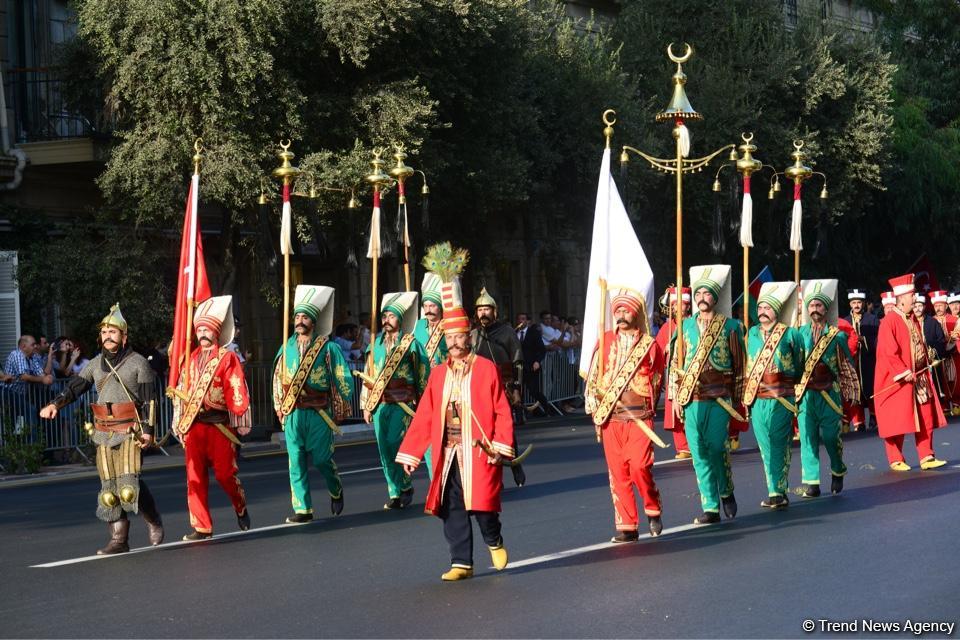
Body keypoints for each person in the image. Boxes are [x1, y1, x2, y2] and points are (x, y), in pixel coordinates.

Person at [396, 250, 514, 581]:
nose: (455, 343)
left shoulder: (487, 369)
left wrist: (501, 445)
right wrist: (412, 453)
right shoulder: (437, 375)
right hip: (448, 450)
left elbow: (502, 409)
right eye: (449, 338)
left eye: (460, 337)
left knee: (482, 504)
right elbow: (425, 416)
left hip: (479, 448)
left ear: (469, 337)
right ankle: (461, 561)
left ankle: (494, 538)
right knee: (452, 505)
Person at [39, 304, 163, 554]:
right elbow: (75, 387)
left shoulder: (139, 363)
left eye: (113, 332)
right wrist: (55, 404)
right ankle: (119, 541)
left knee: (128, 487)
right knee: (109, 491)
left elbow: (150, 400)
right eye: (104, 332)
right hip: (103, 431)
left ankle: (153, 519)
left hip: (130, 430)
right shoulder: (94, 364)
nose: (107, 336)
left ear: (124, 336)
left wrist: (149, 430)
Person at [584, 287, 665, 540]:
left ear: (635, 313)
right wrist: (595, 409)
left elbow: (657, 380)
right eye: (617, 310)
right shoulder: (605, 340)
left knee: (640, 466)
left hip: (639, 416)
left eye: (625, 309)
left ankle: (653, 507)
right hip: (611, 416)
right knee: (618, 472)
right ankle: (627, 525)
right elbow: (593, 377)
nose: (620, 314)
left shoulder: (649, 345)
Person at [172, 295, 252, 540]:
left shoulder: (226, 358)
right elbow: (181, 393)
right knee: (194, 477)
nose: (203, 333)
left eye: (208, 329)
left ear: (216, 332)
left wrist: (240, 415)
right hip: (195, 425)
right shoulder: (190, 359)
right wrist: (179, 420)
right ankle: (201, 526)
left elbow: (236, 386)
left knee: (225, 474)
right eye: (200, 329)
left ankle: (240, 505)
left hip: (220, 425)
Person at [273, 285, 354, 524]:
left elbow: (342, 377)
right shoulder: (285, 347)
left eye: (304, 316)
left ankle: (335, 487)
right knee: (295, 460)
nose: (299, 321)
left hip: (319, 411)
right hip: (294, 412)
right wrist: (280, 406)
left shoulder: (328, 348)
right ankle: (303, 508)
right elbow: (277, 377)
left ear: (313, 320)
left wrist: (342, 404)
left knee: (321, 459)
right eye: (297, 316)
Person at [672, 265, 745, 525]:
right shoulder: (684, 327)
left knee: (716, 447)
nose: (702, 296)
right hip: (692, 398)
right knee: (699, 452)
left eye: (707, 293)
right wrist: (675, 398)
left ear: (715, 298)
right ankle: (711, 506)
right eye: (698, 293)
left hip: (719, 397)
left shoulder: (730, 327)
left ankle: (726, 489)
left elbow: (740, 366)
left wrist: (738, 399)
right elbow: (675, 366)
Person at [361, 291, 430, 509]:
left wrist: (424, 403)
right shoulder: (374, 345)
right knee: (384, 450)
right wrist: (366, 405)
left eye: (391, 317)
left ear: (399, 319)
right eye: (384, 317)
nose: (386, 321)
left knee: (395, 443)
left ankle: (406, 485)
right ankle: (395, 492)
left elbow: (422, 374)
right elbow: (367, 377)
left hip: (404, 402)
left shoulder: (411, 344)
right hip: (381, 403)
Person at [874, 274, 947, 471]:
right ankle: (895, 457)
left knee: (926, 415)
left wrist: (927, 359)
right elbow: (888, 352)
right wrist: (902, 371)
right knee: (895, 418)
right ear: (902, 298)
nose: (915, 298)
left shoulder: (912, 318)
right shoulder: (889, 321)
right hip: (897, 379)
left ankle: (927, 455)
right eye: (912, 295)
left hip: (919, 375)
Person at [795, 280, 860, 497]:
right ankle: (811, 482)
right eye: (811, 306)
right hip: (806, 394)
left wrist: (851, 391)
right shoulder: (799, 334)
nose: (815, 309)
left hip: (829, 393)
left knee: (832, 437)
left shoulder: (837, 335)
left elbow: (846, 365)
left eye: (819, 306)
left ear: (826, 309)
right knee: (807, 437)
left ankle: (837, 468)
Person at [742, 282, 803, 509]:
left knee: (779, 443)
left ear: (776, 311)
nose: (762, 311)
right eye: (760, 307)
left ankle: (779, 491)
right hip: (758, 399)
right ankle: (774, 489)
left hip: (781, 397)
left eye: (767, 308)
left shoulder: (790, 334)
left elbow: (799, 364)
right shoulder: (751, 334)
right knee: (765, 445)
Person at [472, 286, 527, 487]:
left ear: (494, 311)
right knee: (485, 432)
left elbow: (518, 363)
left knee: (506, 431)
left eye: (487, 309)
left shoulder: (507, 332)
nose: (483, 313)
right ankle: (495, 476)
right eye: (480, 310)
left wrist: (516, 390)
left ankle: (514, 464)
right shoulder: (473, 335)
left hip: (503, 387)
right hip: (480, 390)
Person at [656, 286, 692, 459]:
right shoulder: (666, 328)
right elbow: (657, 353)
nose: (678, 307)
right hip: (673, 374)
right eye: (675, 303)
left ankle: (695, 441)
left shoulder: (695, 323)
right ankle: (683, 446)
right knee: (674, 410)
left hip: (692, 372)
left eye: (682, 303)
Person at [844, 288, 879, 430]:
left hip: (868, 360)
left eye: (859, 302)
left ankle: (873, 416)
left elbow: (878, 340)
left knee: (870, 389)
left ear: (863, 303)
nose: (856, 305)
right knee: (853, 391)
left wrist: (863, 339)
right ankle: (859, 422)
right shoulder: (845, 321)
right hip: (851, 362)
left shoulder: (872, 319)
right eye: (854, 302)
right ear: (850, 304)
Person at [929, 290, 960, 415]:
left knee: (956, 379)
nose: (938, 308)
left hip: (954, 356)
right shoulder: (930, 321)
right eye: (936, 306)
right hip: (938, 358)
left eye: (941, 305)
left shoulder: (954, 319)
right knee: (941, 381)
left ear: (946, 306)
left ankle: (957, 403)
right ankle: (945, 406)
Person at [413, 273, 448, 369]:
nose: (428, 310)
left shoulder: (448, 325)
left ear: (440, 307)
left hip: (444, 375)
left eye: (432, 306)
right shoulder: (417, 326)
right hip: (421, 377)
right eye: (425, 306)